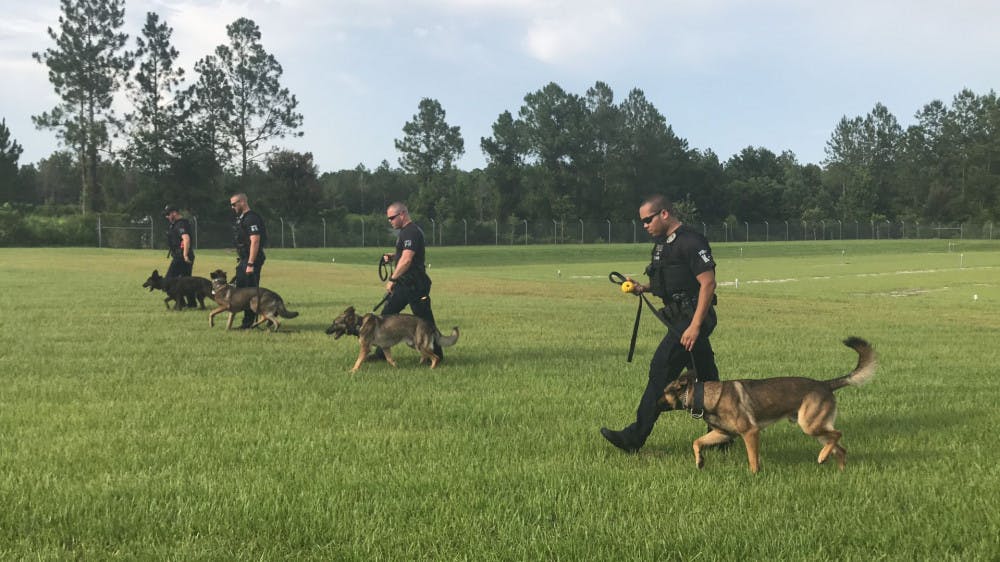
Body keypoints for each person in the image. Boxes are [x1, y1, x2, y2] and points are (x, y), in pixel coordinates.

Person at [601, 194, 721, 453]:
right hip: (679, 319)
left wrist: (695, 326)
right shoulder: (661, 246)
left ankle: (634, 438)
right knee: (707, 377)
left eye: (648, 220)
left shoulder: (691, 241)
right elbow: (668, 282)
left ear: (664, 214)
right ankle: (722, 434)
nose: (645, 226)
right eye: (642, 222)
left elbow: (708, 283)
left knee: (660, 372)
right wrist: (642, 287)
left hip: (691, 320)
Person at [379, 202, 443, 360]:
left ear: (402, 214)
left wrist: (392, 278)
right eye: (388, 219)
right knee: (386, 316)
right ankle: (380, 354)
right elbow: (405, 256)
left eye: (392, 218)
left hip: (415, 285)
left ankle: (437, 355)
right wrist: (393, 257)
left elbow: (407, 260)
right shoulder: (405, 233)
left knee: (425, 321)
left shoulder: (411, 232)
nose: (390, 221)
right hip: (405, 285)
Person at [229, 192, 267, 329]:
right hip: (245, 258)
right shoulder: (242, 218)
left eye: (234, 204)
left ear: (242, 202)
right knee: (242, 291)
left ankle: (249, 322)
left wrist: (250, 263)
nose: (232, 207)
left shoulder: (251, 218)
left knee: (249, 293)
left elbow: (255, 241)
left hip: (252, 260)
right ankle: (249, 321)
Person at [163, 205, 196, 308]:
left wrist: (185, 255)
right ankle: (191, 303)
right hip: (183, 255)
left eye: (168, 214)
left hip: (182, 256)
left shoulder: (181, 224)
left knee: (168, 281)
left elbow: (186, 239)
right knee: (186, 281)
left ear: (174, 213)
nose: (167, 217)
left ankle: (181, 302)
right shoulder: (178, 224)